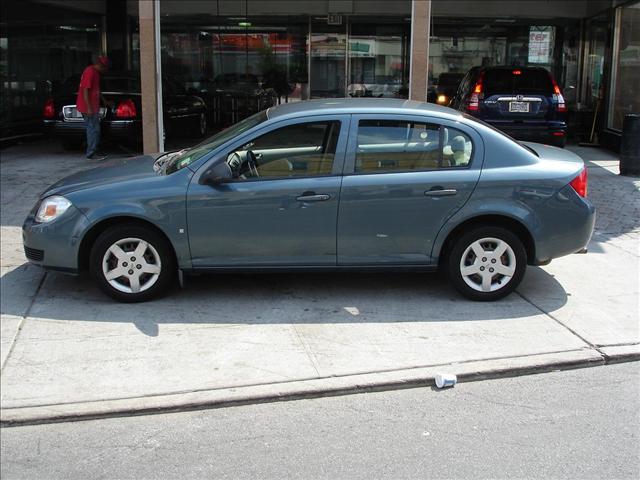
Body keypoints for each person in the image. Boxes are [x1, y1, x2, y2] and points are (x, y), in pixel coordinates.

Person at [76, 56, 110, 160]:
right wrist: (89, 108)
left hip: (92, 106)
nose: (105, 71)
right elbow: (85, 90)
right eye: (105, 68)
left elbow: (96, 90)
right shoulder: (90, 72)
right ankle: (91, 153)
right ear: (100, 65)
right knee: (93, 129)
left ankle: (94, 150)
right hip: (88, 107)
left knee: (95, 129)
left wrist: (104, 101)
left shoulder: (95, 73)